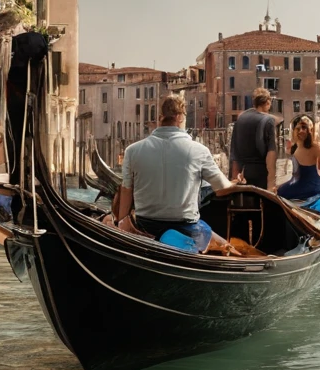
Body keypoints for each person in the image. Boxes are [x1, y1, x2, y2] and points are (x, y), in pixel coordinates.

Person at [118, 94, 235, 251]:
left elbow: (126, 190)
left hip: (146, 228)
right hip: (187, 230)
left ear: (160, 117)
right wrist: (235, 183)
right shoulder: (199, 151)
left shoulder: (132, 151)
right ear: (180, 117)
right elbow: (222, 189)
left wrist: (121, 225)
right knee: (227, 246)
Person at [230, 87, 277, 191]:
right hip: (261, 173)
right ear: (268, 102)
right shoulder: (268, 120)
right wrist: (271, 184)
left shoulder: (240, 119)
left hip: (243, 173)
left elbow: (234, 151)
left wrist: (233, 178)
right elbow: (271, 153)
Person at [279, 115, 320, 201]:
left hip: (307, 188)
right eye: (298, 129)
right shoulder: (296, 149)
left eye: (304, 128)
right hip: (311, 186)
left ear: (309, 131)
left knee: (278, 191)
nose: (301, 131)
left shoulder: (316, 149)